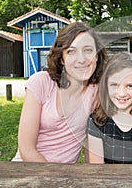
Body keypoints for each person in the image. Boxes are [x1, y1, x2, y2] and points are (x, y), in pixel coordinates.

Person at [12, 22, 107, 163]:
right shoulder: (41, 83)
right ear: (62, 58)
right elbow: (26, 148)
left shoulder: (98, 92)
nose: (81, 59)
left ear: (97, 56)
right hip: (27, 169)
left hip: (64, 177)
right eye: (71, 51)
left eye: (88, 50)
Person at [85, 52, 132, 164]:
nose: (121, 94)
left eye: (130, 86)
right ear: (106, 86)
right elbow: (96, 168)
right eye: (114, 85)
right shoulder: (96, 121)